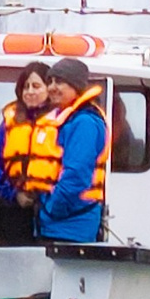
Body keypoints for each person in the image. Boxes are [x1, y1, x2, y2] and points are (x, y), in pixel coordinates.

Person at [0, 66, 57, 246]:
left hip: (52, 210)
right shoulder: (10, 122)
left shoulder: (62, 121)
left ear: (49, 88)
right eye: (25, 87)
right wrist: (14, 194)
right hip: (16, 209)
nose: (29, 91)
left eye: (36, 86)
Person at [37, 57, 110, 244]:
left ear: (76, 87)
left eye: (59, 82)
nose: (52, 87)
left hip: (70, 229)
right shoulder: (67, 119)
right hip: (57, 225)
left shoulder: (84, 123)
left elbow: (76, 176)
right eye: (50, 81)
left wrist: (51, 209)